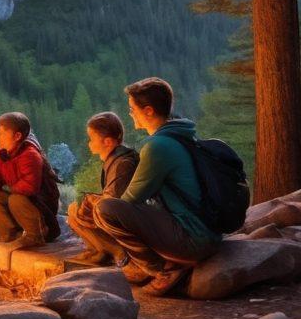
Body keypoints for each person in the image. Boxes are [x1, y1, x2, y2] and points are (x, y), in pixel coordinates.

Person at [92, 77, 221, 296]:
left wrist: (99, 205)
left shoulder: (157, 147)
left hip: (192, 238)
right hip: (205, 230)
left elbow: (131, 199)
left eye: (133, 109)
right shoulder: (180, 134)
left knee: (105, 210)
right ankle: (160, 263)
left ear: (149, 111)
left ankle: (159, 270)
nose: (130, 113)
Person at [0, 112, 61, 250]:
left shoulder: (31, 155)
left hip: (40, 212)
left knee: (16, 199)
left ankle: (35, 235)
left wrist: (7, 192)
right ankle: (10, 232)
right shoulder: (1, 154)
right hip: (18, 203)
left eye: (1, 133)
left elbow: (30, 187)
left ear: (17, 136)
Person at [67, 112, 140, 266]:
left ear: (107, 142)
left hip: (124, 220)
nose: (89, 143)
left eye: (91, 138)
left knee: (79, 210)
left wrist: (91, 200)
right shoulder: (113, 159)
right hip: (114, 212)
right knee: (74, 209)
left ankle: (118, 252)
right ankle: (98, 250)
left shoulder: (123, 163)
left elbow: (114, 201)